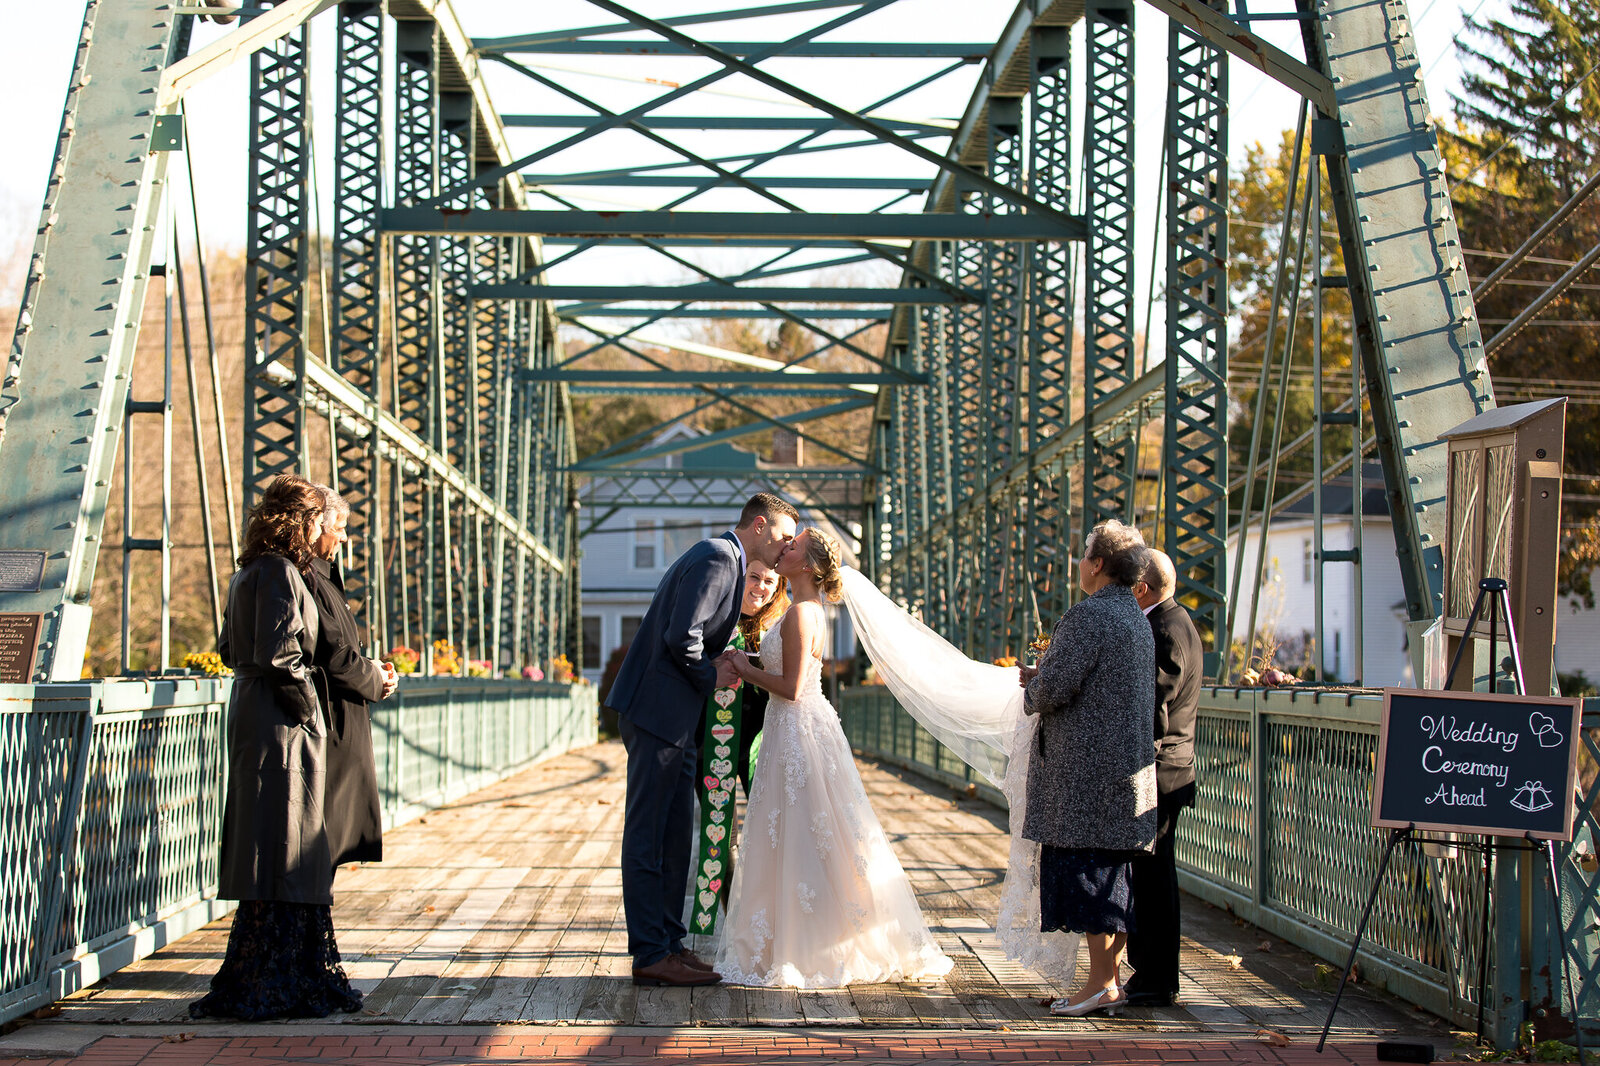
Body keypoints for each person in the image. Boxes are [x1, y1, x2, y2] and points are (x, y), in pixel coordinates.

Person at [714, 527, 953, 988]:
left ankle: (813, 942)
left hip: (798, 728)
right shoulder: (801, 610)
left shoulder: (803, 614)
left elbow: (792, 688)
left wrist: (743, 668)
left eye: (793, 546)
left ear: (805, 565)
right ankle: (798, 933)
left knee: (809, 831)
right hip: (790, 730)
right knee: (802, 831)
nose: (784, 548)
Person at [607, 492, 798, 987]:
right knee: (648, 835)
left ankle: (670, 943)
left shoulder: (728, 561)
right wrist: (713, 672)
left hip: (673, 714)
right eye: (780, 537)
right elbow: (682, 637)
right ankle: (650, 951)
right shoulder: (719, 557)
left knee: (674, 835)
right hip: (657, 711)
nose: (783, 549)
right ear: (758, 526)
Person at [191, 474, 362, 1021]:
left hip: (254, 713)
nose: (325, 532)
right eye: (320, 521)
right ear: (303, 523)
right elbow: (282, 655)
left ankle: (267, 965)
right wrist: (309, 710)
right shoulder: (285, 574)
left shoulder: (249, 572)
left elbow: (228, 646)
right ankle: (284, 978)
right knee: (290, 839)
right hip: (283, 724)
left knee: (270, 839)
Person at [1017, 520, 1156, 1017]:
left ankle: (1101, 984)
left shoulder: (1089, 616)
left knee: (1091, 880)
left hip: (1085, 777)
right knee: (1111, 879)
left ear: (1098, 564)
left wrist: (1033, 685)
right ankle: (1108, 982)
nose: (1080, 562)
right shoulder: (1133, 616)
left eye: (1085, 554)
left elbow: (1052, 690)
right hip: (1122, 774)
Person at [688, 559, 786, 936]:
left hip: (764, 738)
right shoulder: (713, 618)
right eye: (753, 577)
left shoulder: (779, 624)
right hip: (711, 738)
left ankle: (777, 922)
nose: (760, 587)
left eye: (769, 581)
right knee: (720, 833)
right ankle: (733, 928)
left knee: (773, 827)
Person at [1125, 549, 1203, 1008]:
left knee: (1152, 880)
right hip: (1171, 770)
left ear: (1142, 588)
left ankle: (1156, 979)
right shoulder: (1178, 622)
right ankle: (1151, 975)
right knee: (1153, 877)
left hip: (1161, 774)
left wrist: (1129, 764)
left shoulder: (1164, 631)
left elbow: (1154, 708)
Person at [308, 485, 398, 871]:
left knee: (325, 845)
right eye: (339, 528)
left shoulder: (319, 576)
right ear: (314, 526)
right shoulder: (307, 578)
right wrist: (374, 676)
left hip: (333, 721)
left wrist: (373, 671)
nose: (344, 538)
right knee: (321, 845)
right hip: (326, 725)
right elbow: (336, 659)